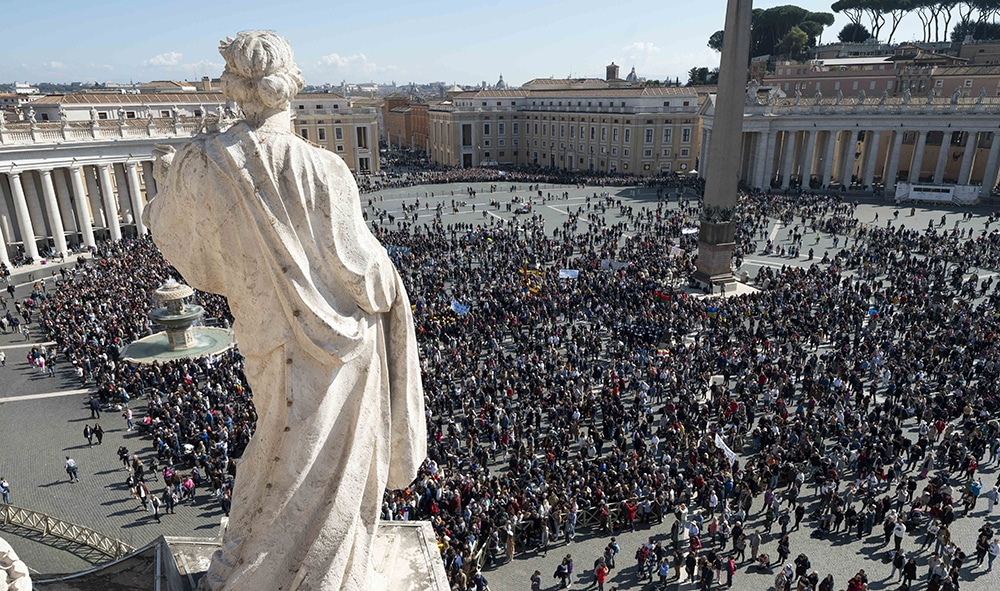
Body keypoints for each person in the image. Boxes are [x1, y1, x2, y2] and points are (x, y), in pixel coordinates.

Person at [144, 30, 426, 591]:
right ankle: (326, 573)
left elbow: (187, 253)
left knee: (278, 443)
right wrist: (392, 282)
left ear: (233, 88)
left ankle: (257, 562)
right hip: (343, 351)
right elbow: (365, 276)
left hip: (264, 335)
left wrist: (165, 186)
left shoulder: (199, 164)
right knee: (323, 462)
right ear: (290, 87)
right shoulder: (324, 171)